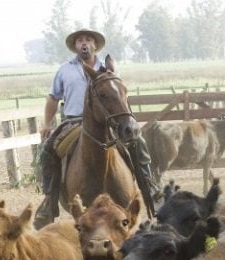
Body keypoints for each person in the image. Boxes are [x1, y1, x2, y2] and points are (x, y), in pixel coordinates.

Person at [34, 28, 159, 229]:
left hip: (107, 121)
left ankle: (151, 187)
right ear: (75, 46)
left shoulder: (108, 70)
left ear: (95, 45)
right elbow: (53, 98)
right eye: (80, 41)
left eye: (88, 40)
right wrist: (47, 123)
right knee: (48, 150)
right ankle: (49, 201)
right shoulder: (64, 70)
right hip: (73, 121)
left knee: (138, 142)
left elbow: (118, 96)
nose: (84, 43)